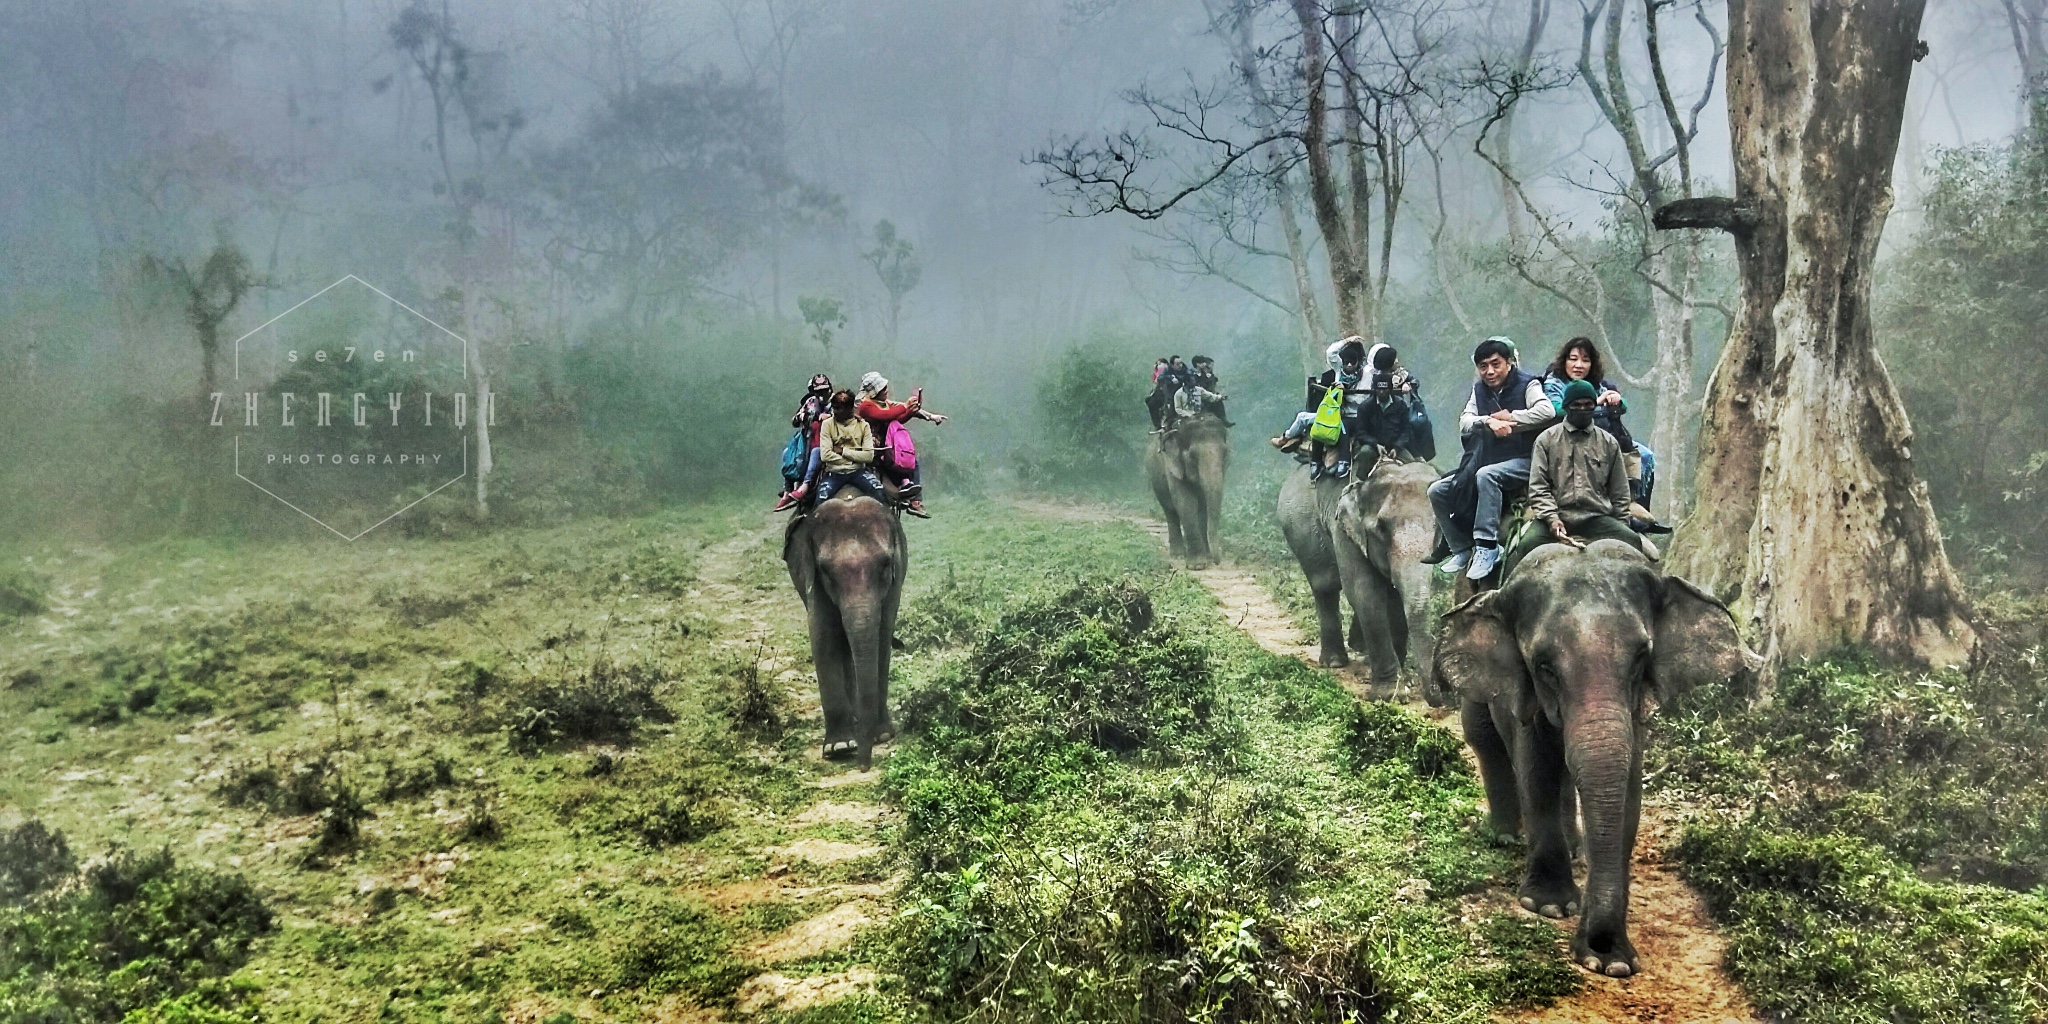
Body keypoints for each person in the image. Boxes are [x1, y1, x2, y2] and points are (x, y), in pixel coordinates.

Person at [1427, 336, 1557, 580]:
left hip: (1526, 458)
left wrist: (1511, 418)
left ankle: (1487, 545)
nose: (1489, 371)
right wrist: (1488, 420)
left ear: (1509, 363)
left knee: (1486, 475)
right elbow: (1465, 421)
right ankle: (1461, 548)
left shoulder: (1528, 384)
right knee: (1437, 490)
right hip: (1488, 457)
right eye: (1483, 366)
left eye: (1495, 364)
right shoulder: (1480, 390)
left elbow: (1546, 410)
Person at [1499, 379, 1647, 579]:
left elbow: (1619, 490)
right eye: (1576, 406)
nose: (1583, 409)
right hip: (1554, 517)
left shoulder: (1608, 443)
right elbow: (1538, 488)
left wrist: (1620, 523)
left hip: (1596, 517)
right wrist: (1552, 519)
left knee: (1631, 541)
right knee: (1526, 547)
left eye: (1588, 405)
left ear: (1595, 406)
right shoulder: (1546, 440)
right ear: (1567, 407)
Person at [1538, 337, 1668, 533]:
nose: (1579, 365)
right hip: (1563, 438)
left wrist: (1615, 399)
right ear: (1564, 360)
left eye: (1585, 360)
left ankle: (1636, 508)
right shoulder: (1553, 383)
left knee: (1646, 457)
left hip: (1602, 437)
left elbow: (1622, 405)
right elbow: (1556, 409)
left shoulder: (1600, 384)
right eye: (1573, 359)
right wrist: (1595, 403)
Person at [856, 371, 944, 518]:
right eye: (883, 389)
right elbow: (887, 415)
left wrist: (912, 412)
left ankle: (915, 500)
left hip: (888, 442)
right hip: (873, 445)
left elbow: (899, 417)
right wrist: (906, 407)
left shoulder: (885, 403)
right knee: (893, 458)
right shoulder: (866, 406)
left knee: (912, 461)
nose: (886, 391)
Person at [813, 390, 889, 504]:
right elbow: (825, 455)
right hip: (834, 473)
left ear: (849, 409)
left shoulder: (863, 425)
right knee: (820, 500)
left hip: (858, 472)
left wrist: (843, 451)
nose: (835, 412)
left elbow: (868, 456)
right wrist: (855, 459)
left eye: (839, 408)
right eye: (834, 408)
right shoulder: (827, 424)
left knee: (880, 493)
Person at [774, 373, 834, 512]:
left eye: (824, 390)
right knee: (787, 453)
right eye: (818, 391)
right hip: (807, 439)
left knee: (816, 453)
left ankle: (805, 485)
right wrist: (813, 416)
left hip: (828, 441)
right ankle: (787, 490)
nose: (821, 394)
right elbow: (796, 420)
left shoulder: (836, 401)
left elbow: (838, 417)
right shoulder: (811, 402)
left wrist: (821, 417)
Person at [1186, 356, 1233, 425]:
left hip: (1209, 394)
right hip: (1198, 396)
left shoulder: (1205, 372)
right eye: (1202, 363)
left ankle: (1223, 419)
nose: (1204, 364)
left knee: (1218, 402)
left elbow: (1212, 382)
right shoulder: (1191, 374)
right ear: (1197, 364)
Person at [1148, 355, 1190, 431]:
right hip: (1169, 394)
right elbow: (1160, 378)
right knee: (1160, 405)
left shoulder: (1185, 370)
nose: (1180, 365)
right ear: (1172, 365)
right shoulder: (1167, 370)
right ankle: (1163, 426)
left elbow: (1190, 377)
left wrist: (1180, 380)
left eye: (1181, 363)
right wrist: (1170, 378)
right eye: (1177, 364)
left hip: (1183, 393)